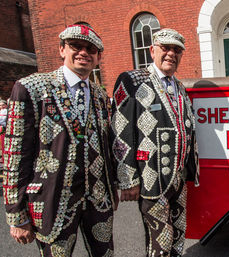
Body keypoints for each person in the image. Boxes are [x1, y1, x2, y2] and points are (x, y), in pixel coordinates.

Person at [2, 23, 118, 256]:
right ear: (62, 49)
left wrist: (112, 187)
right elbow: (15, 154)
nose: (84, 52)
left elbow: (106, 147)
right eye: (76, 46)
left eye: (91, 49)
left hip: (97, 200)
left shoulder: (98, 94)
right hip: (53, 200)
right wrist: (16, 214)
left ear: (98, 58)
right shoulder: (31, 88)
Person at [111, 28, 199, 257]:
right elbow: (120, 131)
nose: (171, 53)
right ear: (152, 51)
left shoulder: (179, 87)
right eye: (165, 48)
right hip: (152, 179)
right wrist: (128, 179)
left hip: (178, 178)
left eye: (177, 50)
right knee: (160, 240)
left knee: (179, 234)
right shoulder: (132, 81)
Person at [0, 99, 7, 164]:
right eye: (0, 105)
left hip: (5, 129)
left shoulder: (5, 111)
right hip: (1, 129)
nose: (2, 106)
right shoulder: (1, 111)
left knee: (5, 145)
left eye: (3, 105)